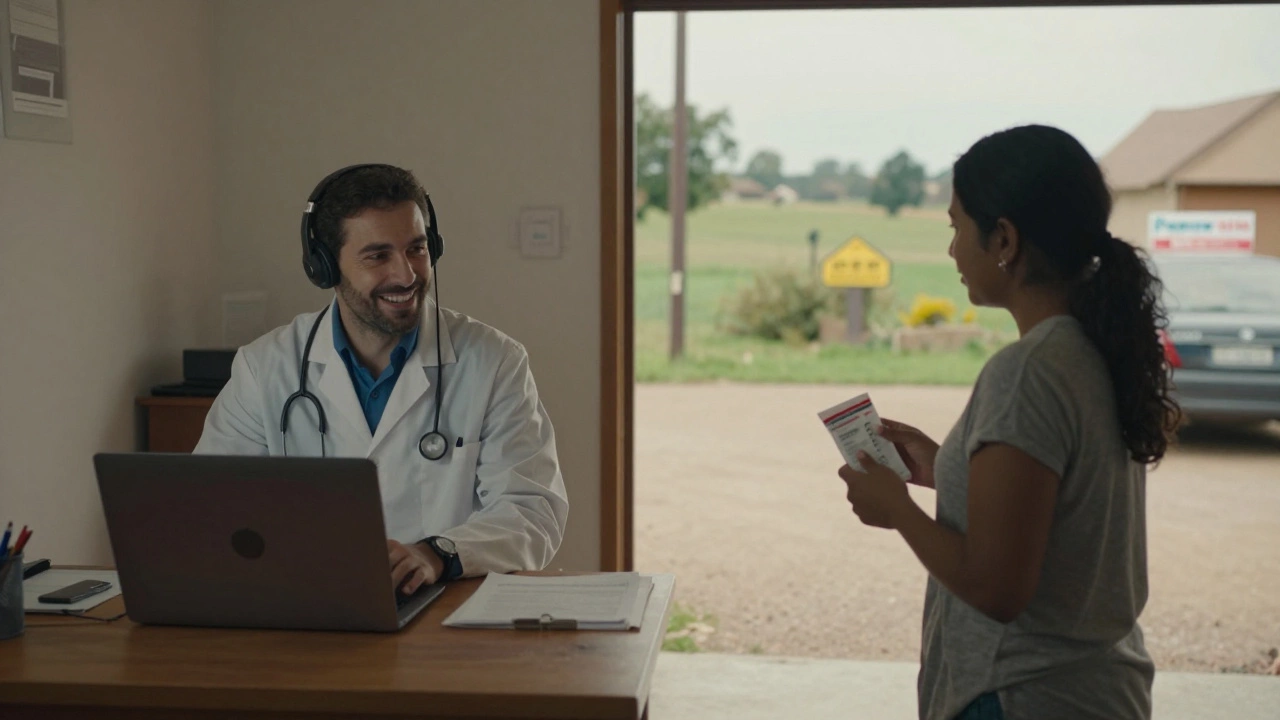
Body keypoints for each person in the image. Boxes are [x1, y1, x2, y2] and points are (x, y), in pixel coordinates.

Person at [837, 126, 1180, 720]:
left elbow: (997, 589)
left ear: (1004, 239)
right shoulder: (1091, 349)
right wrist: (952, 467)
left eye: (955, 227)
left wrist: (897, 510)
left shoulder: (1028, 372)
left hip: (1023, 696)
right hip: (1096, 690)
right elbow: (1059, 510)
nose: (950, 250)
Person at [195, 163, 568, 597]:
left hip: (447, 608)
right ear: (325, 267)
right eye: (378, 256)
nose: (406, 275)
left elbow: (531, 511)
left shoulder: (494, 361)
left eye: (417, 249)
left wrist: (438, 553)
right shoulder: (264, 369)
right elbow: (212, 507)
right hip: (306, 606)